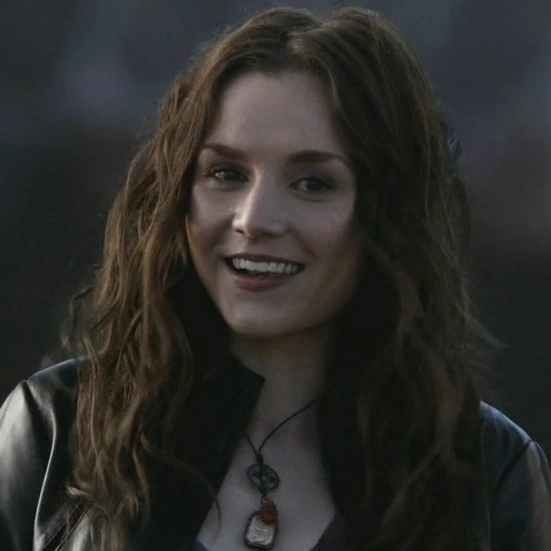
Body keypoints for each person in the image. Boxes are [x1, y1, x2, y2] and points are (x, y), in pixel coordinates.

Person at [1, 6, 550, 551]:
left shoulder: (489, 471)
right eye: (226, 173)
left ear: (388, 214)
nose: (254, 219)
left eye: (312, 183)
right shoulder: (54, 429)